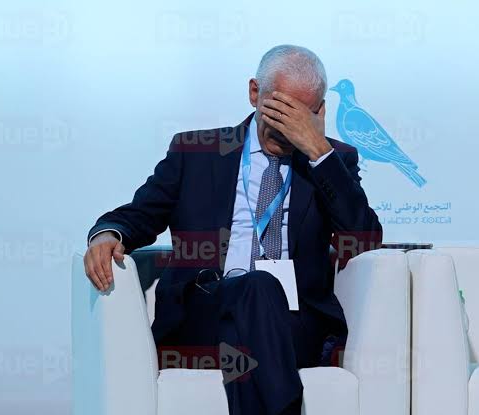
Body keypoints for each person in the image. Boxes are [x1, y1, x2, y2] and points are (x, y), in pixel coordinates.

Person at [83, 44, 382, 415]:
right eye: (279, 110)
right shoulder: (196, 152)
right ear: (255, 92)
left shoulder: (333, 160)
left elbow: (364, 239)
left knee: (260, 298)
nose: (287, 128)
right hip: (205, 312)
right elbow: (139, 214)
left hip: (292, 321)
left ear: (320, 112)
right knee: (256, 287)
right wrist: (108, 234)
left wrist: (319, 152)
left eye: (299, 116)